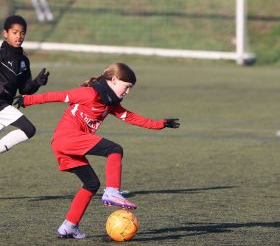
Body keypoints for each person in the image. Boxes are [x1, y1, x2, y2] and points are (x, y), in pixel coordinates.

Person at [13, 62, 180, 239]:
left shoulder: (110, 103)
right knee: (114, 149)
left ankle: (69, 225)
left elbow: (131, 117)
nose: (127, 91)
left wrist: (160, 124)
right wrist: (27, 100)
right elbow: (58, 96)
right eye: (127, 86)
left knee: (91, 184)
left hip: (66, 146)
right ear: (114, 80)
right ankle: (112, 191)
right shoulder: (89, 93)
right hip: (67, 138)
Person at [0, 15, 49, 154]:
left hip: (4, 106)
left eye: (22, 33)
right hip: (1, 105)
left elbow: (25, 89)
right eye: (14, 32)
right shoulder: (1, 54)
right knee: (28, 129)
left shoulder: (23, 60)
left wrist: (37, 83)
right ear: (5, 33)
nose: (19, 36)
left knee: (28, 129)